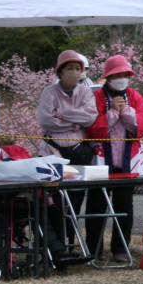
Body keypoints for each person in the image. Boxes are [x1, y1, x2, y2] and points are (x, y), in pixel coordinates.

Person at [84, 55, 143, 260]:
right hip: (100, 162)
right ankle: (93, 247)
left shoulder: (135, 96)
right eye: (117, 75)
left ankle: (121, 247)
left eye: (125, 74)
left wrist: (126, 111)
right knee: (96, 204)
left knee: (124, 205)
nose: (122, 78)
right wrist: (112, 113)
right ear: (108, 77)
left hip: (127, 162)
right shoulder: (96, 97)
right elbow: (91, 127)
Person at [36, 49, 98, 267]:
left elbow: (89, 117)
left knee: (75, 201)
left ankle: (71, 244)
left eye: (77, 69)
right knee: (53, 201)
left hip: (80, 150)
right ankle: (57, 248)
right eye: (69, 68)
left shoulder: (85, 91)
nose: (74, 72)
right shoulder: (49, 92)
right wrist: (74, 119)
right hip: (53, 151)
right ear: (60, 71)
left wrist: (61, 113)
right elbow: (46, 120)